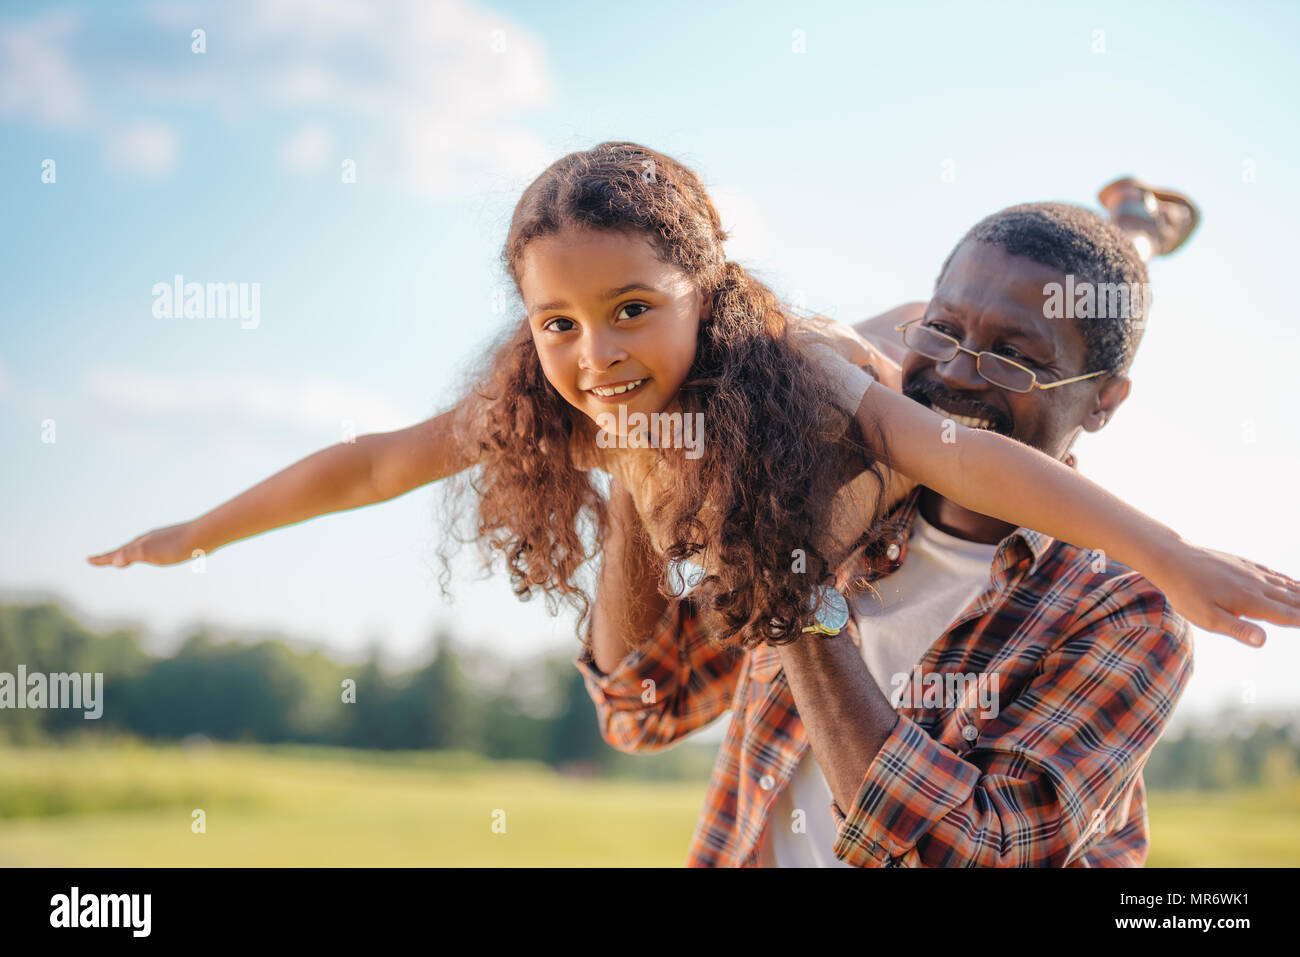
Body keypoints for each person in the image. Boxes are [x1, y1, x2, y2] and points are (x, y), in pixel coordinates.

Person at [575, 198, 1287, 867]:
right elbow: (643, 706)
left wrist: (795, 603)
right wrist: (636, 445)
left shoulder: (1127, 611)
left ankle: (1136, 227)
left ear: (1104, 401)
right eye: (943, 330)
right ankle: (1133, 225)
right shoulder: (843, 486)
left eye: (1015, 357)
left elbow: (963, 851)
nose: (954, 373)